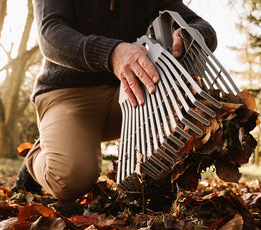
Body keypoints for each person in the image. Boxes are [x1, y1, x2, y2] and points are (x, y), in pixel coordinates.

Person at [13, 0, 217, 214]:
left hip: (129, 91)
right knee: (70, 179)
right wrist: (112, 53)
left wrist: (189, 34)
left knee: (182, 122)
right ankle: (38, 152)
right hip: (67, 92)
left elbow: (203, 27)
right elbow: (50, 36)